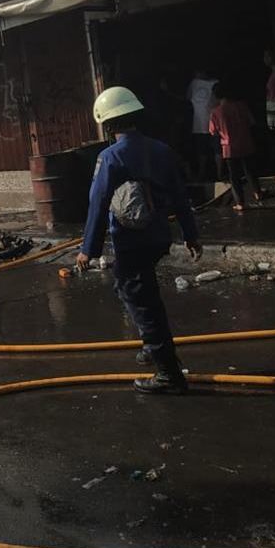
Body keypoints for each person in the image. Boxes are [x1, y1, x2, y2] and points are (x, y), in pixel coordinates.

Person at [75, 87, 202, 395]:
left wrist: (87, 250)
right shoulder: (161, 150)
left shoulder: (110, 157)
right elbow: (180, 197)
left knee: (141, 300)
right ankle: (151, 346)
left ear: (108, 124)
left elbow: (98, 203)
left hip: (130, 242)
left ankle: (168, 374)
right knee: (134, 288)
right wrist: (191, 235)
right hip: (159, 236)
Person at [208, 83, 262, 212]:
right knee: (250, 170)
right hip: (246, 142)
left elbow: (212, 131)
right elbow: (251, 122)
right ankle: (257, 192)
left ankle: (240, 202)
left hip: (229, 147)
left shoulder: (216, 112)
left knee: (234, 176)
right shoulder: (241, 105)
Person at [186, 68, 220, 183]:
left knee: (216, 150)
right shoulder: (194, 83)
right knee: (203, 151)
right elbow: (188, 98)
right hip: (200, 124)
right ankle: (203, 173)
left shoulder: (214, 83)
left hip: (213, 123)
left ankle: (218, 174)